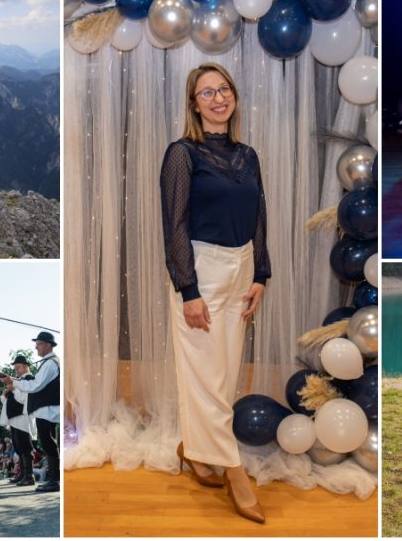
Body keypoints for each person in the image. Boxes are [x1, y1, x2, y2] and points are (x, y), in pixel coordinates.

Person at [159, 63, 270, 524]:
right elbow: (175, 225)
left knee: (222, 376)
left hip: (242, 268)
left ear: (234, 97)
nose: (218, 98)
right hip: (201, 270)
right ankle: (234, 469)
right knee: (205, 374)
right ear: (194, 104)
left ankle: (194, 446)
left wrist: (261, 275)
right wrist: (188, 288)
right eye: (207, 93)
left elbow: (259, 217)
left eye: (224, 89)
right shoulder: (183, 154)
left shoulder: (249, 156)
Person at [9, 332, 59, 493]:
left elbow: (35, 386)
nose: (36, 347)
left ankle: (54, 480)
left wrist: (14, 383)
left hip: (47, 409)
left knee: (48, 442)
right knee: (47, 442)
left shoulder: (50, 363)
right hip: (45, 409)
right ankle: (53, 479)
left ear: (47, 345)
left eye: (38, 344)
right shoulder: (47, 363)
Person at [0, 354, 36, 486]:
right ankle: (22, 473)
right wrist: (6, 392)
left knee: (25, 446)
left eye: (18, 367)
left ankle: (29, 475)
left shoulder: (29, 379)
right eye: (15, 368)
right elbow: (8, 401)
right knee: (19, 447)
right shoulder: (18, 381)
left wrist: (13, 387)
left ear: (26, 366)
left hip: (23, 417)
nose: (16, 370)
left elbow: (22, 399)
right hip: (15, 418)